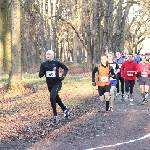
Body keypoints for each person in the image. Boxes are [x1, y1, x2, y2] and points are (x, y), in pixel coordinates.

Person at [39, 50, 69, 123]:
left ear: (52, 55)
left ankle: (55, 116)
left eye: (49, 54)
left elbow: (66, 69)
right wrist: (44, 70)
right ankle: (65, 109)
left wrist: (63, 77)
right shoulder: (43, 64)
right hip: (49, 85)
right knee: (56, 98)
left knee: (52, 97)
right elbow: (40, 75)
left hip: (57, 83)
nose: (48, 55)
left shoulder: (56, 63)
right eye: (46, 54)